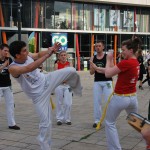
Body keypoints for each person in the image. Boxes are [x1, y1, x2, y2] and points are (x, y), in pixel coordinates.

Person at [8, 41, 82, 150]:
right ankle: (45, 146)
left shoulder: (28, 55)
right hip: (39, 96)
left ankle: (77, 90)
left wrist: (51, 50)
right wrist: (48, 55)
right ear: (17, 55)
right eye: (24, 51)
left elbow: (37, 55)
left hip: (47, 80)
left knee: (71, 70)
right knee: (46, 123)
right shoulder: (12, 68)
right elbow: (28, 68)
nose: (27, 52)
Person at [104, 37, 141, 150]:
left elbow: (108, 74)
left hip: (120, 98)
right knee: (136, 122)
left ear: (131, 50)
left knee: (109, 123)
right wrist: (99, 69)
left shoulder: (126, 62)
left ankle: (115, 148)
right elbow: (116, 71)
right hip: (132, 98)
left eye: (123, 50)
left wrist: (108, 59)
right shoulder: (135, 62)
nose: (122, 52)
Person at [89, 41, 113, 128]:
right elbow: (91, 73)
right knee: (97, 101)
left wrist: (97, 68)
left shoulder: (108, 57)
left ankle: (109, 120)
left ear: (103, 47)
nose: (97, 47)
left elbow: (110, 69)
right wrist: (92, 67)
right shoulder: (93, 58)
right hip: (97, 81)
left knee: (108, 101)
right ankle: (97, 120)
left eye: (99, 46)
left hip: (107, 81)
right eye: (96, 46)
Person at [0, 43, 20, 130]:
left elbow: (13, 70)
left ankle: (11, 123)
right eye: (5, 50)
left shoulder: (9, 60)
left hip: (7, 85)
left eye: (7, 51)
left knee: (11, 104)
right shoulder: (5, 61)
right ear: (0, 50)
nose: (6, 52)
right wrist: (4, 65)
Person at [54, 51, 73, 125]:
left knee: (68, 103)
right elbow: (56, 75)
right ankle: (59, 119)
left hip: (68, 85)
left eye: (65, 55)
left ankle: (67, 118)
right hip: (59, 85)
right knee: (59, 102)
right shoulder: (56, 64)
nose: (63, 56)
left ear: (67, 56)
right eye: (61, 55)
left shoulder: (69, 64)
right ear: (59, 57)